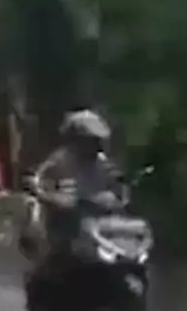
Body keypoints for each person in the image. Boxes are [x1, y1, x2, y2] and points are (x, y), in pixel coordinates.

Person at [30, 109, 122, 261]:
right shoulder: (58, 160)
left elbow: (117, 185)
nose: (94, 145)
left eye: (96, 140)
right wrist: (55, 198)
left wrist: (114, 196)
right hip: (64, 226)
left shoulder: (102, 162)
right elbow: (38, 184)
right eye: (89, 139)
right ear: (77, 139)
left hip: (99, 226)